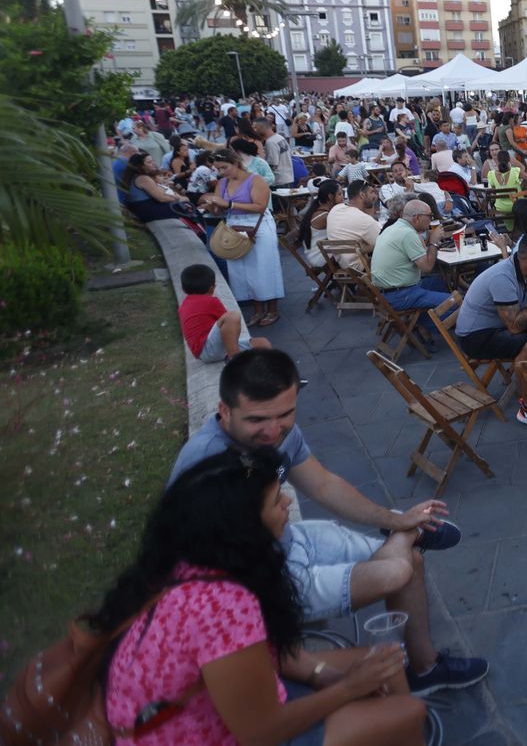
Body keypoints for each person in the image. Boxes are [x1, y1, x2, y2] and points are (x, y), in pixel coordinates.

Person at [167, 350, 487, 699]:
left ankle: (425, 667)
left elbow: (322, 484)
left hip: (292, 539)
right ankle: (405, 537)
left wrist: (392, 517)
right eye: (258, 419)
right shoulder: (207, 464)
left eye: (285, 414)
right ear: (224, 411)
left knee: (413, 561)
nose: (274, 430)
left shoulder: (277, 432)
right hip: (259, 580)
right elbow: (209, 574)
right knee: (400, 568)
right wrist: (401, 527)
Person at [98, 449, 427, 745]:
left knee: (385, 665)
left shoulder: (191, 563)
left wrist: (326, 676)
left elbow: (259, 656)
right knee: (409, 712)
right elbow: (261, 733)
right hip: (207, 733)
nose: (286, 501)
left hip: (216, 709)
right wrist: (347, 688)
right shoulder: (222, 605)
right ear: (243, 527)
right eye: (275, 500)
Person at [197, 149, 283, 327]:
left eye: (224, 167)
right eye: (218, 169)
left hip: (258, 225)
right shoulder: (222, 183)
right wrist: (210, 205)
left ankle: (272, 309)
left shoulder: (255, 180)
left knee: (264, 266)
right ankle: (258, 309)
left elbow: (260, 206)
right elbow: (219, 209)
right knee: (241, 270)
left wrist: (229, 204)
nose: (221, 172)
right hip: (234, 225)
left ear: (235, 163)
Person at [370, 199, 455, 330]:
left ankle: (429, 319)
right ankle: (424, 325)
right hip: (401, 295)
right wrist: (434, 242)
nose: (431, 220)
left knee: (439, 281)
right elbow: (427, 268)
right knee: (457, 302)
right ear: (417, 218)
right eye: (429, 216)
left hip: (386, 292)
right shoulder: (407, 234)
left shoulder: (393, 227)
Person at [179, 264, 271, 363]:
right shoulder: (210, 301)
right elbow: (230, 322)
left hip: (210, 348)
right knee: (233, 316)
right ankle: (236, 360)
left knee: (262, 343)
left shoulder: (184, 305)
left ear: (183, 289)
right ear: (212, 288)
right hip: (208, 350)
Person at [324, 180, 382, 264]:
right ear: (362, 195)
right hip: (362, 267)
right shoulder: (363, 219)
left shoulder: (335, 209)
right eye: (372, 192)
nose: (375, 195)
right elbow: (383, 242)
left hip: (342, 263)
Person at [119, 152, 186, 222]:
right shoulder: (143, 178)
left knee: (184, 205)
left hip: (141, 210)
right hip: (147, 212)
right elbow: (161, 198)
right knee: (183, 207)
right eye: (149, 162)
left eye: (153, 160)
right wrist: (178, 198)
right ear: (141, 166)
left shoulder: (135, 177)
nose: (153, 163)